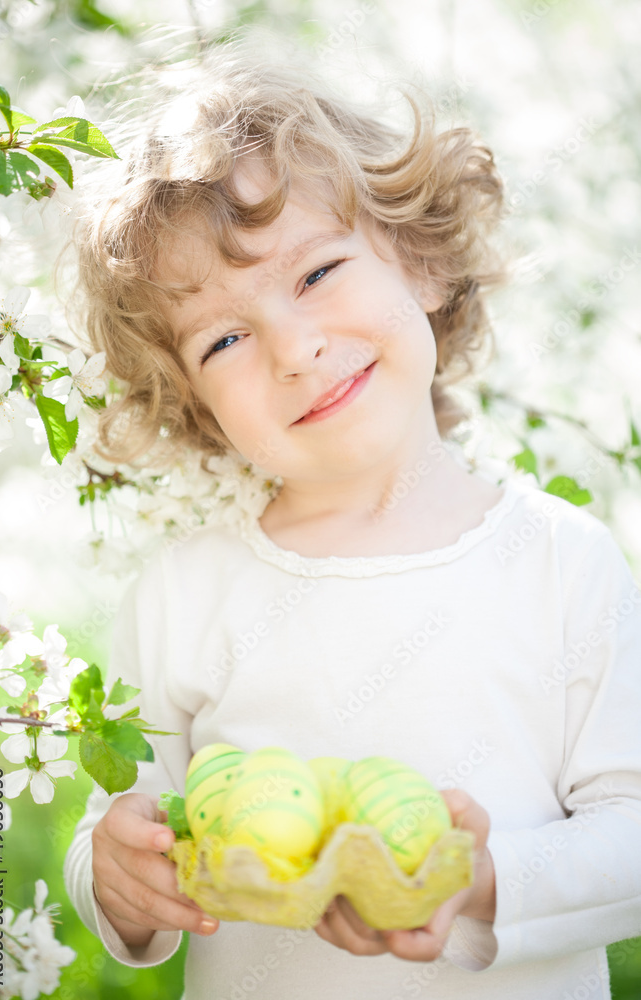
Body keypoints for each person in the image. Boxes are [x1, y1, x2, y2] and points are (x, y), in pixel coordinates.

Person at [63, 27, 641, 1000]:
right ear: (195, 406)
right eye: (226, 338)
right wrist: (113, 879)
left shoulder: (560, 561)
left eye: (317, 273)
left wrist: (486, 884)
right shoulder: (183, 592)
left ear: (418, 260)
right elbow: (121, 819)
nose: (293, 348)